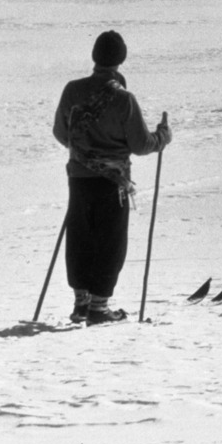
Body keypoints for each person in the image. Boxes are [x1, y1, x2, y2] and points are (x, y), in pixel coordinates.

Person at [52, 31, 171, 324]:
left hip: (78, 178)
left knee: (80, 237)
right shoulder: (123, 99)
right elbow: (142, 144)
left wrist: (85, 150)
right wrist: (162, 137)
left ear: (95, 56)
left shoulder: (72, 91)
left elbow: (60, 133)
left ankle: (81, 303)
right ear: (121, 59)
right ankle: (99, 307)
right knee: (110, 242)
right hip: (112, 183)